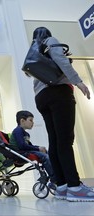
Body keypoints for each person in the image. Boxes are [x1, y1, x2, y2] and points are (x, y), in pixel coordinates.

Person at [31, 27, 93, 202]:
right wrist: (79, 83)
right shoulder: (50, 42)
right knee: (65, 141)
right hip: (59, 93)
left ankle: (62, 186)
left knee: (55, 141)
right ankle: (75, 187)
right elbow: (61, 60)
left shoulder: (34, 50)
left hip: (41, 97)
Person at [9, 110, 56, 187]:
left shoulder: (26, 133)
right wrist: (38, 148)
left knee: (46, 153)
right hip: (20, 154)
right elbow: (22, 146)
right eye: (30, 120)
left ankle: (54, 175)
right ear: (22, 121)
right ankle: (54, 180)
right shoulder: (17, 131)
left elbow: (29, 146)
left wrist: (39, 148)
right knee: (44, 156)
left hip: (25, 152)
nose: (33, 123)